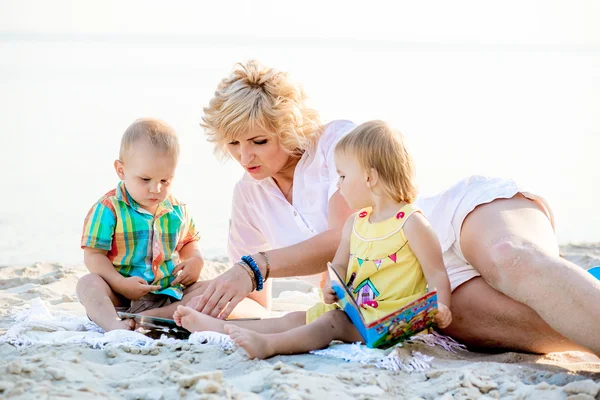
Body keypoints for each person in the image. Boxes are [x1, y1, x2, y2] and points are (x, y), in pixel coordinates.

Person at [191, 60, 600, 355]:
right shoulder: (248, 196)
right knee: (488, 321)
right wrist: (198, 307)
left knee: (511, 258)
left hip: (454, 221)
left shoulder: (337, 143)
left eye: (259, 141)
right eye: (233, 144)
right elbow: (255, 303)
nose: (245, 157)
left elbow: (353, 229)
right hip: (413, 286)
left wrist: (259, 265)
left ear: (286, 127)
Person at [175, 121, 453, 359]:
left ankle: (270, 346)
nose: (339, 184)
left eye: (343, 176)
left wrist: (442, 307)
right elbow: (340, 269)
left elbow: (436, 272)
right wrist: (333, 287)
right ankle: (218, 329)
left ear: (369, 178)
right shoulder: (356, 223)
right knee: (296, 317)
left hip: (388, 320)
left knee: (329, 322)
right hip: (360, 310)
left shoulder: (412, 223)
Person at [77, 118, 262, 332]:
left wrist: (195, 261)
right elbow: (93, 255)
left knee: (212, 288)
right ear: (121, 170)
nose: (156, 189)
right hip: (119, 295)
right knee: (88, 284)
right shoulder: (108, 209)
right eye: (145, 179)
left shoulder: (176, 209)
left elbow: (188, 243)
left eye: (165, 181)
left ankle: (156, 316)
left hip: (167, 293)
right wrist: (119, 283)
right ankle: (113, 323)